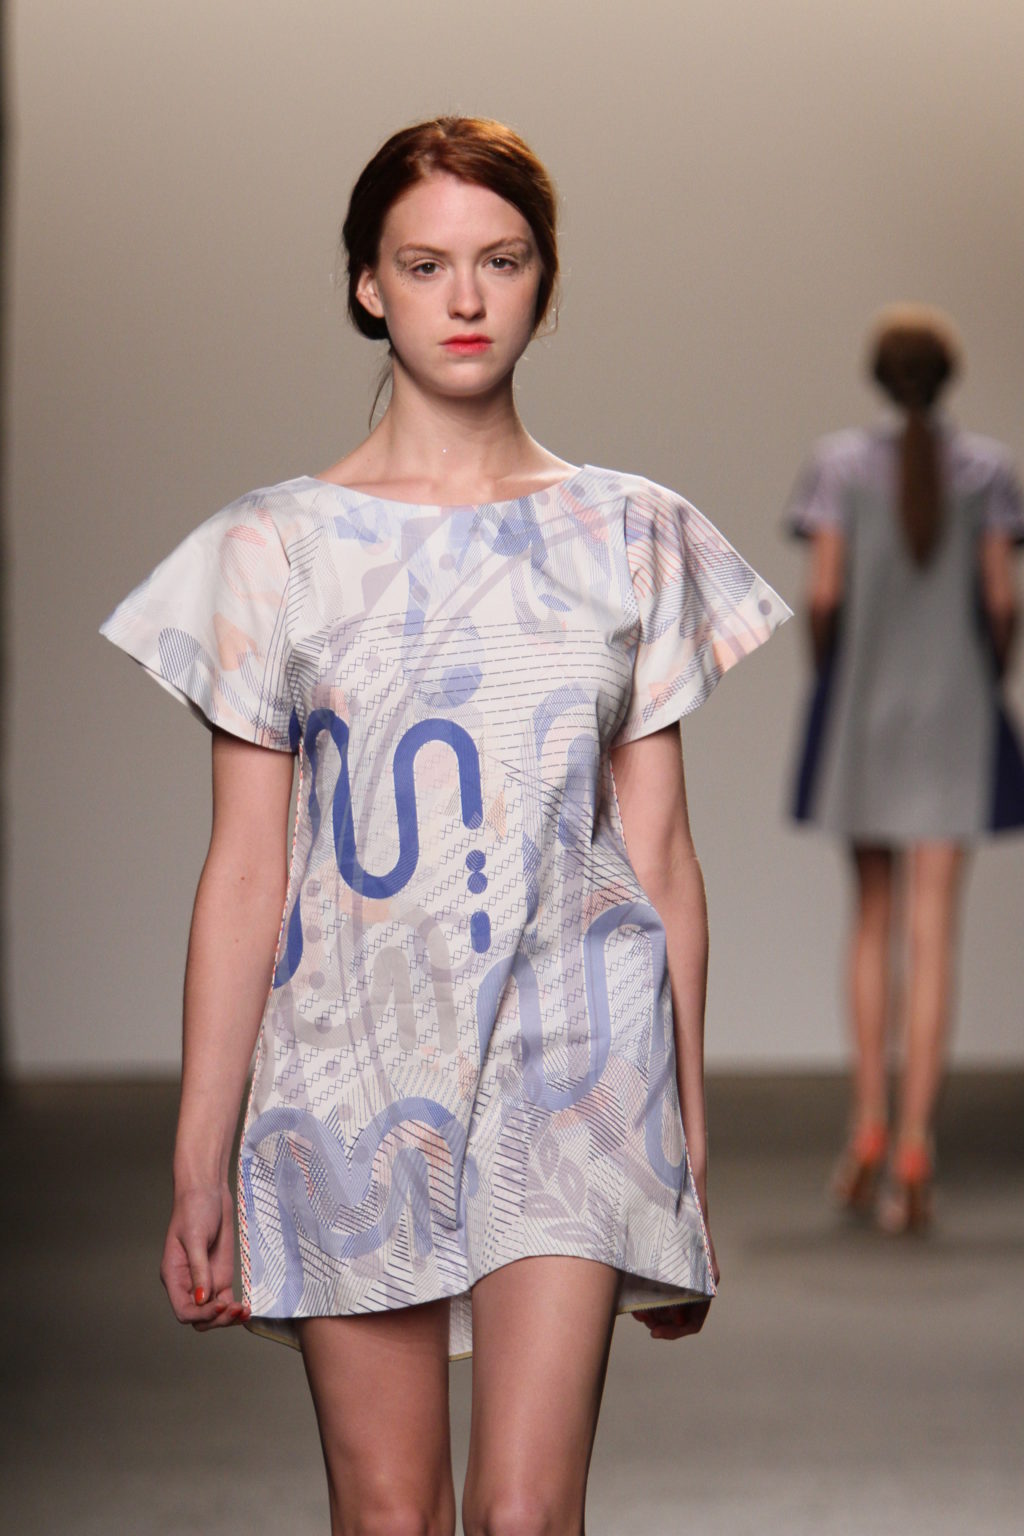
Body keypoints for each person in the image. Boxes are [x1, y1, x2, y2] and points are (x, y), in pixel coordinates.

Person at [101, 116, 788, 1536]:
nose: (465, 298)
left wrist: (686, 1145)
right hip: (346, 1070)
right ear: (369, 285)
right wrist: (198, 1154)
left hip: (578, 1065)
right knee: (390, 1515)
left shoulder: (630, 534)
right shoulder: (271, 551)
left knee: (528, 1517)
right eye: (425, 265)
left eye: (502, 260)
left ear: (546, 280)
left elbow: (660, 857)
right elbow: (247, 870)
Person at [786, 304, 1024, 1235]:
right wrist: (984, 677)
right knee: (934, 931)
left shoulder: (839, 466)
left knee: (872, 920)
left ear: (880, 376)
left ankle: (868, 1127)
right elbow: (1000, 601)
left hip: (867, 708)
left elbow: (823, 594)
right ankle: (917, 1143)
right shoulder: (989, 470)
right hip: (956, 711)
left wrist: (833, 680)